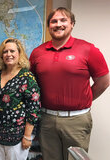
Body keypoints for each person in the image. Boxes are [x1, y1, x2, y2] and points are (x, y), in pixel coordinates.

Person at [29, 7, 110, 160]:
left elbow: (104, 81)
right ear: (49, 26)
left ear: (72, 24)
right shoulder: (37, 53)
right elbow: (31, 85)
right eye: (54, 21)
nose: (58, 24)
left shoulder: (88, 49)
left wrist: (84, 99)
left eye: (63, 20)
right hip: (46, 120)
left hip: (77, 121)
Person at [0, 38, 41, 160]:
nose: (9, 54)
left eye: (12, 51)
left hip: (18, 138)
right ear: (1, 55)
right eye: (5, 51)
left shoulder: (27, 77)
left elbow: (33, 109)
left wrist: (28, 136)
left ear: (19, 53)